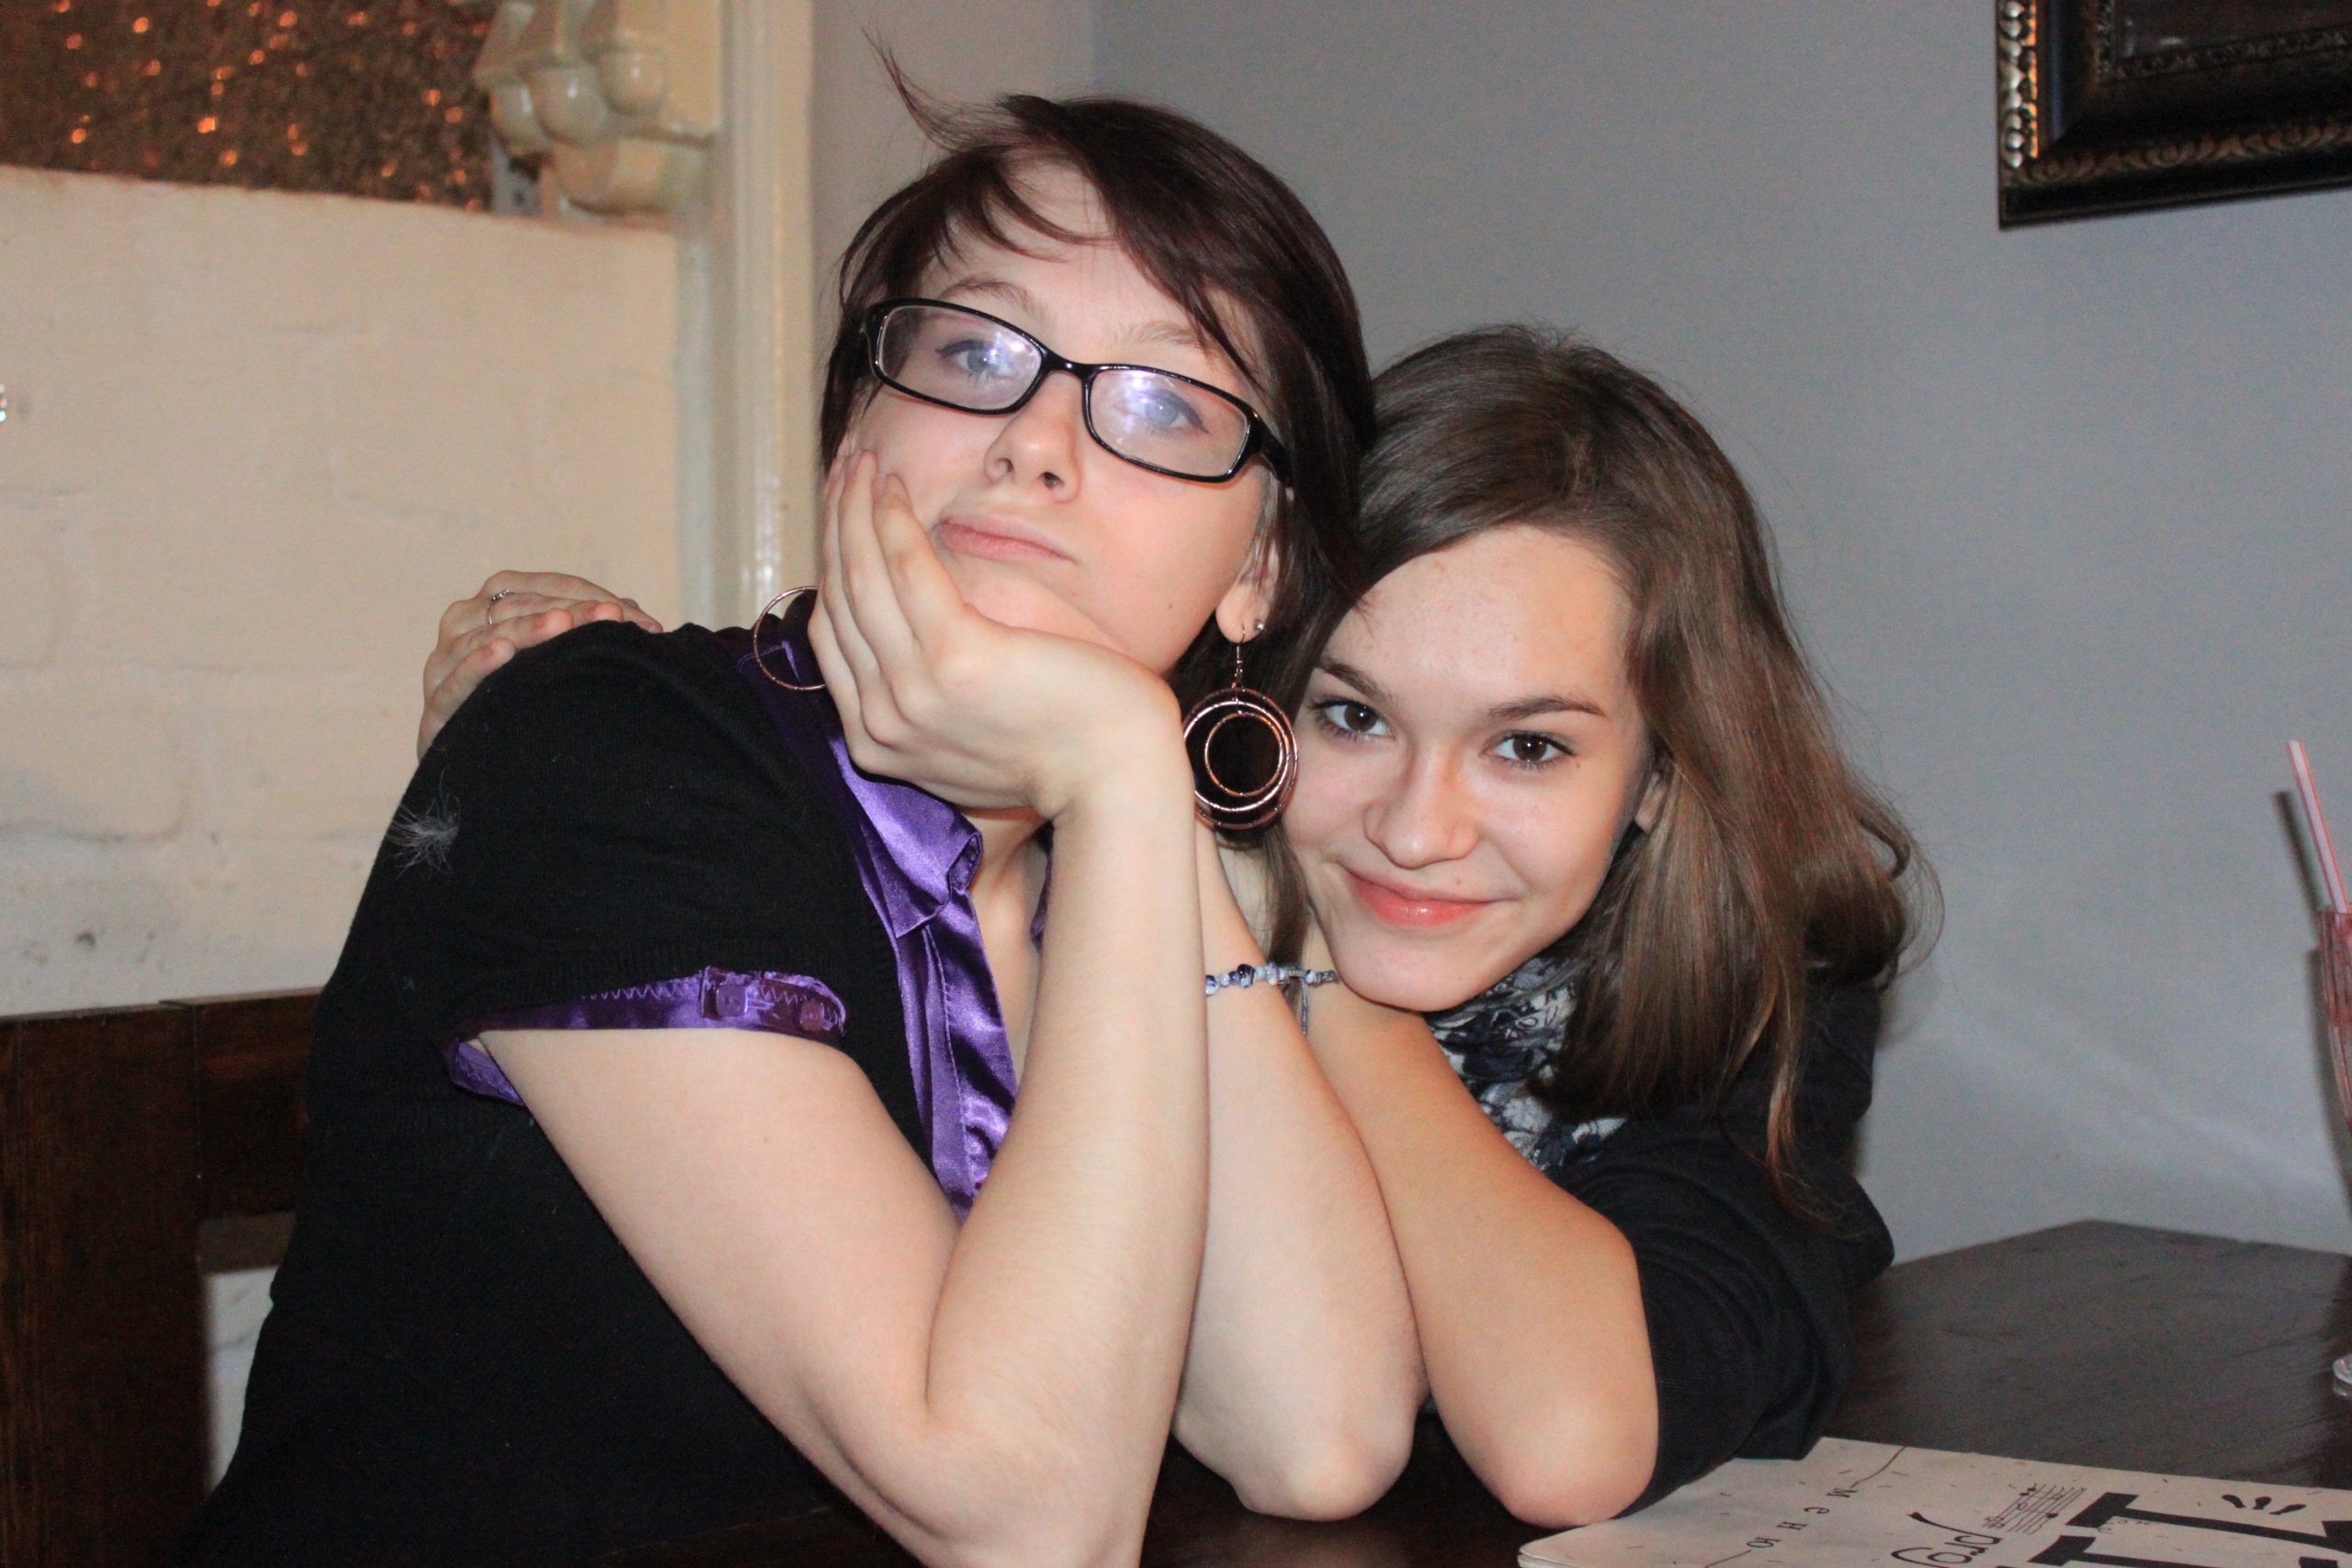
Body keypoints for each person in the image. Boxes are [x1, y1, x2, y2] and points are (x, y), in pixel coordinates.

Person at [180, 92, 1426, 1568]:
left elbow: (1315, 1435)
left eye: (1166, 407)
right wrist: (1119, 764)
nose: (1037, 445)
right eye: (973, 352)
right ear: (855, 429)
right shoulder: (607, 753)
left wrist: (1131, 787)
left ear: (1259, 569)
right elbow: (1025, 1516)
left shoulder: (1094, 858)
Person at [419, 330, 1923, 1528]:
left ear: (1660, 776)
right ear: (1252, 686)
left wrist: (1323, 988)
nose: (1420, 829)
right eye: (1352, 717)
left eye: (1529, 747)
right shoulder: (1083, 876)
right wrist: (617, 703)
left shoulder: (1745, 987)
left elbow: (1564, 1438)